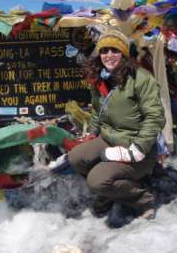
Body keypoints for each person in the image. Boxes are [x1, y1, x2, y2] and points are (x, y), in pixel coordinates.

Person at [68, 29, 165, 228]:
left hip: (136, 147)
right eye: (104, 51)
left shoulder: (141, 79)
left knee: (97, 180)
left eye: (115, 50)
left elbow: (155, 117)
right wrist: (92, 133)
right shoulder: (101, 78)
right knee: (76, 157)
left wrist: (139, 148)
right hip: (108, 138)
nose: (109, 56)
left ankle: (142, 199)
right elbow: (98, 110)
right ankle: (109, 192)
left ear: (124, 53)